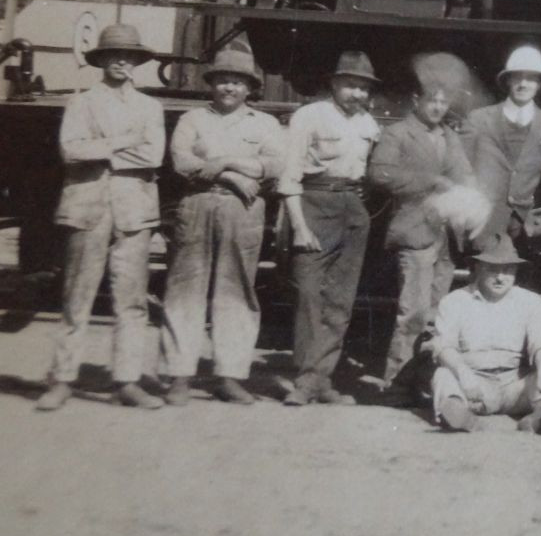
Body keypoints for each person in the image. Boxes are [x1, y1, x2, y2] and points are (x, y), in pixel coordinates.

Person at [37, 23, 166, 412]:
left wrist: (101, 148)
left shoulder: (151, 107)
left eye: (129, 55)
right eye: (114, 54)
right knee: (76, 299)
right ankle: (62, 380)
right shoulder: (81, 103)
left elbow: (153, 156)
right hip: (86, 208)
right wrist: (125, 143)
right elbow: (71, 152)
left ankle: (126, 381)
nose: (121, 61)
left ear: (138, 62)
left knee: (132, 302)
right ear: (102, 60)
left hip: (134, 211)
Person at [160, 49, 285, 406]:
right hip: (197, 203)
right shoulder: (192, 119)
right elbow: (182, 162)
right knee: (186, 290)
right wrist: (232, 174)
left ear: (249, 88)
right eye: (223, 80)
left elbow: (275, 165)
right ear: (212, 84)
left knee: (236, 291)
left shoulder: (265, 124)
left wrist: (224, 160)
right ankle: (179, 376)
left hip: (243, 211)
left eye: (238, 81)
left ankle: (229, 377)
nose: (229, 86)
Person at [277, 50, 382, 407]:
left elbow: (368, 174)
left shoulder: (369, 124)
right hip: (313, 203)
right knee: (308, 295)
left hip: (352, 208)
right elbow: (289, 175)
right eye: (351, 85)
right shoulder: (308, 116)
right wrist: (299, 226)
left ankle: (321, 380)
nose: (357, 94)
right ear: (335, 84)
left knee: (340, 299)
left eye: (364, 88)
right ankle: (304, 380)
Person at [367, 82, 477, 394]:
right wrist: (431, 181)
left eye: (444, 102)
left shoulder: (449, 136)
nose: (438, 107)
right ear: (416, 100)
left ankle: (424, 381)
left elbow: (464, 173)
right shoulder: (398, 133)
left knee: (435, 314)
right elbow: (380, 173)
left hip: (446, 234)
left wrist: (465, 191)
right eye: (433, 100)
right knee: (412, 312)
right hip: (415, 230)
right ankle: (396, 384)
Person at [429, 234, 541, 435]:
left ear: (515, 271)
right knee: (443, 375)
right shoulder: (455, 301)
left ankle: (540, 417)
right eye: (492, 268)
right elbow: (444, 346)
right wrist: (464, 374)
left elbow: (540, 341)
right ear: (478, 268)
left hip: (515, 385)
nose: (500, 277)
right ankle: (460, 416)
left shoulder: (530, 301)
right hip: (474, 385)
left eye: (507, 270)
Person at [463, 45, 541, 244]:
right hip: (483, 221)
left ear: (540, 84)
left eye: (531, 78)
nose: (523, 84)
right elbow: (460, 166)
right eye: (517, 77)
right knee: (484, 274)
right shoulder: (479, 119)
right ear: (508, 80)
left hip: (526, 225)